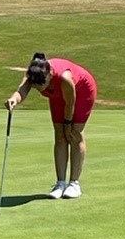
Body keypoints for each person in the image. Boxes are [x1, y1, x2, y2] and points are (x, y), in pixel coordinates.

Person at [5, 52, 97, 199]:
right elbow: (22, 90)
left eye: (40, 86)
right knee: (59, 135)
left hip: (81, 91)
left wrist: (68, 123)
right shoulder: (34, 73)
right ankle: (60, 183)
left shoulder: (64, 78)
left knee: (74, 134)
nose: (39, 89)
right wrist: (14, 99)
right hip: (57, 95)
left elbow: (70, 103)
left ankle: (74, 183)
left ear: (49, 76)